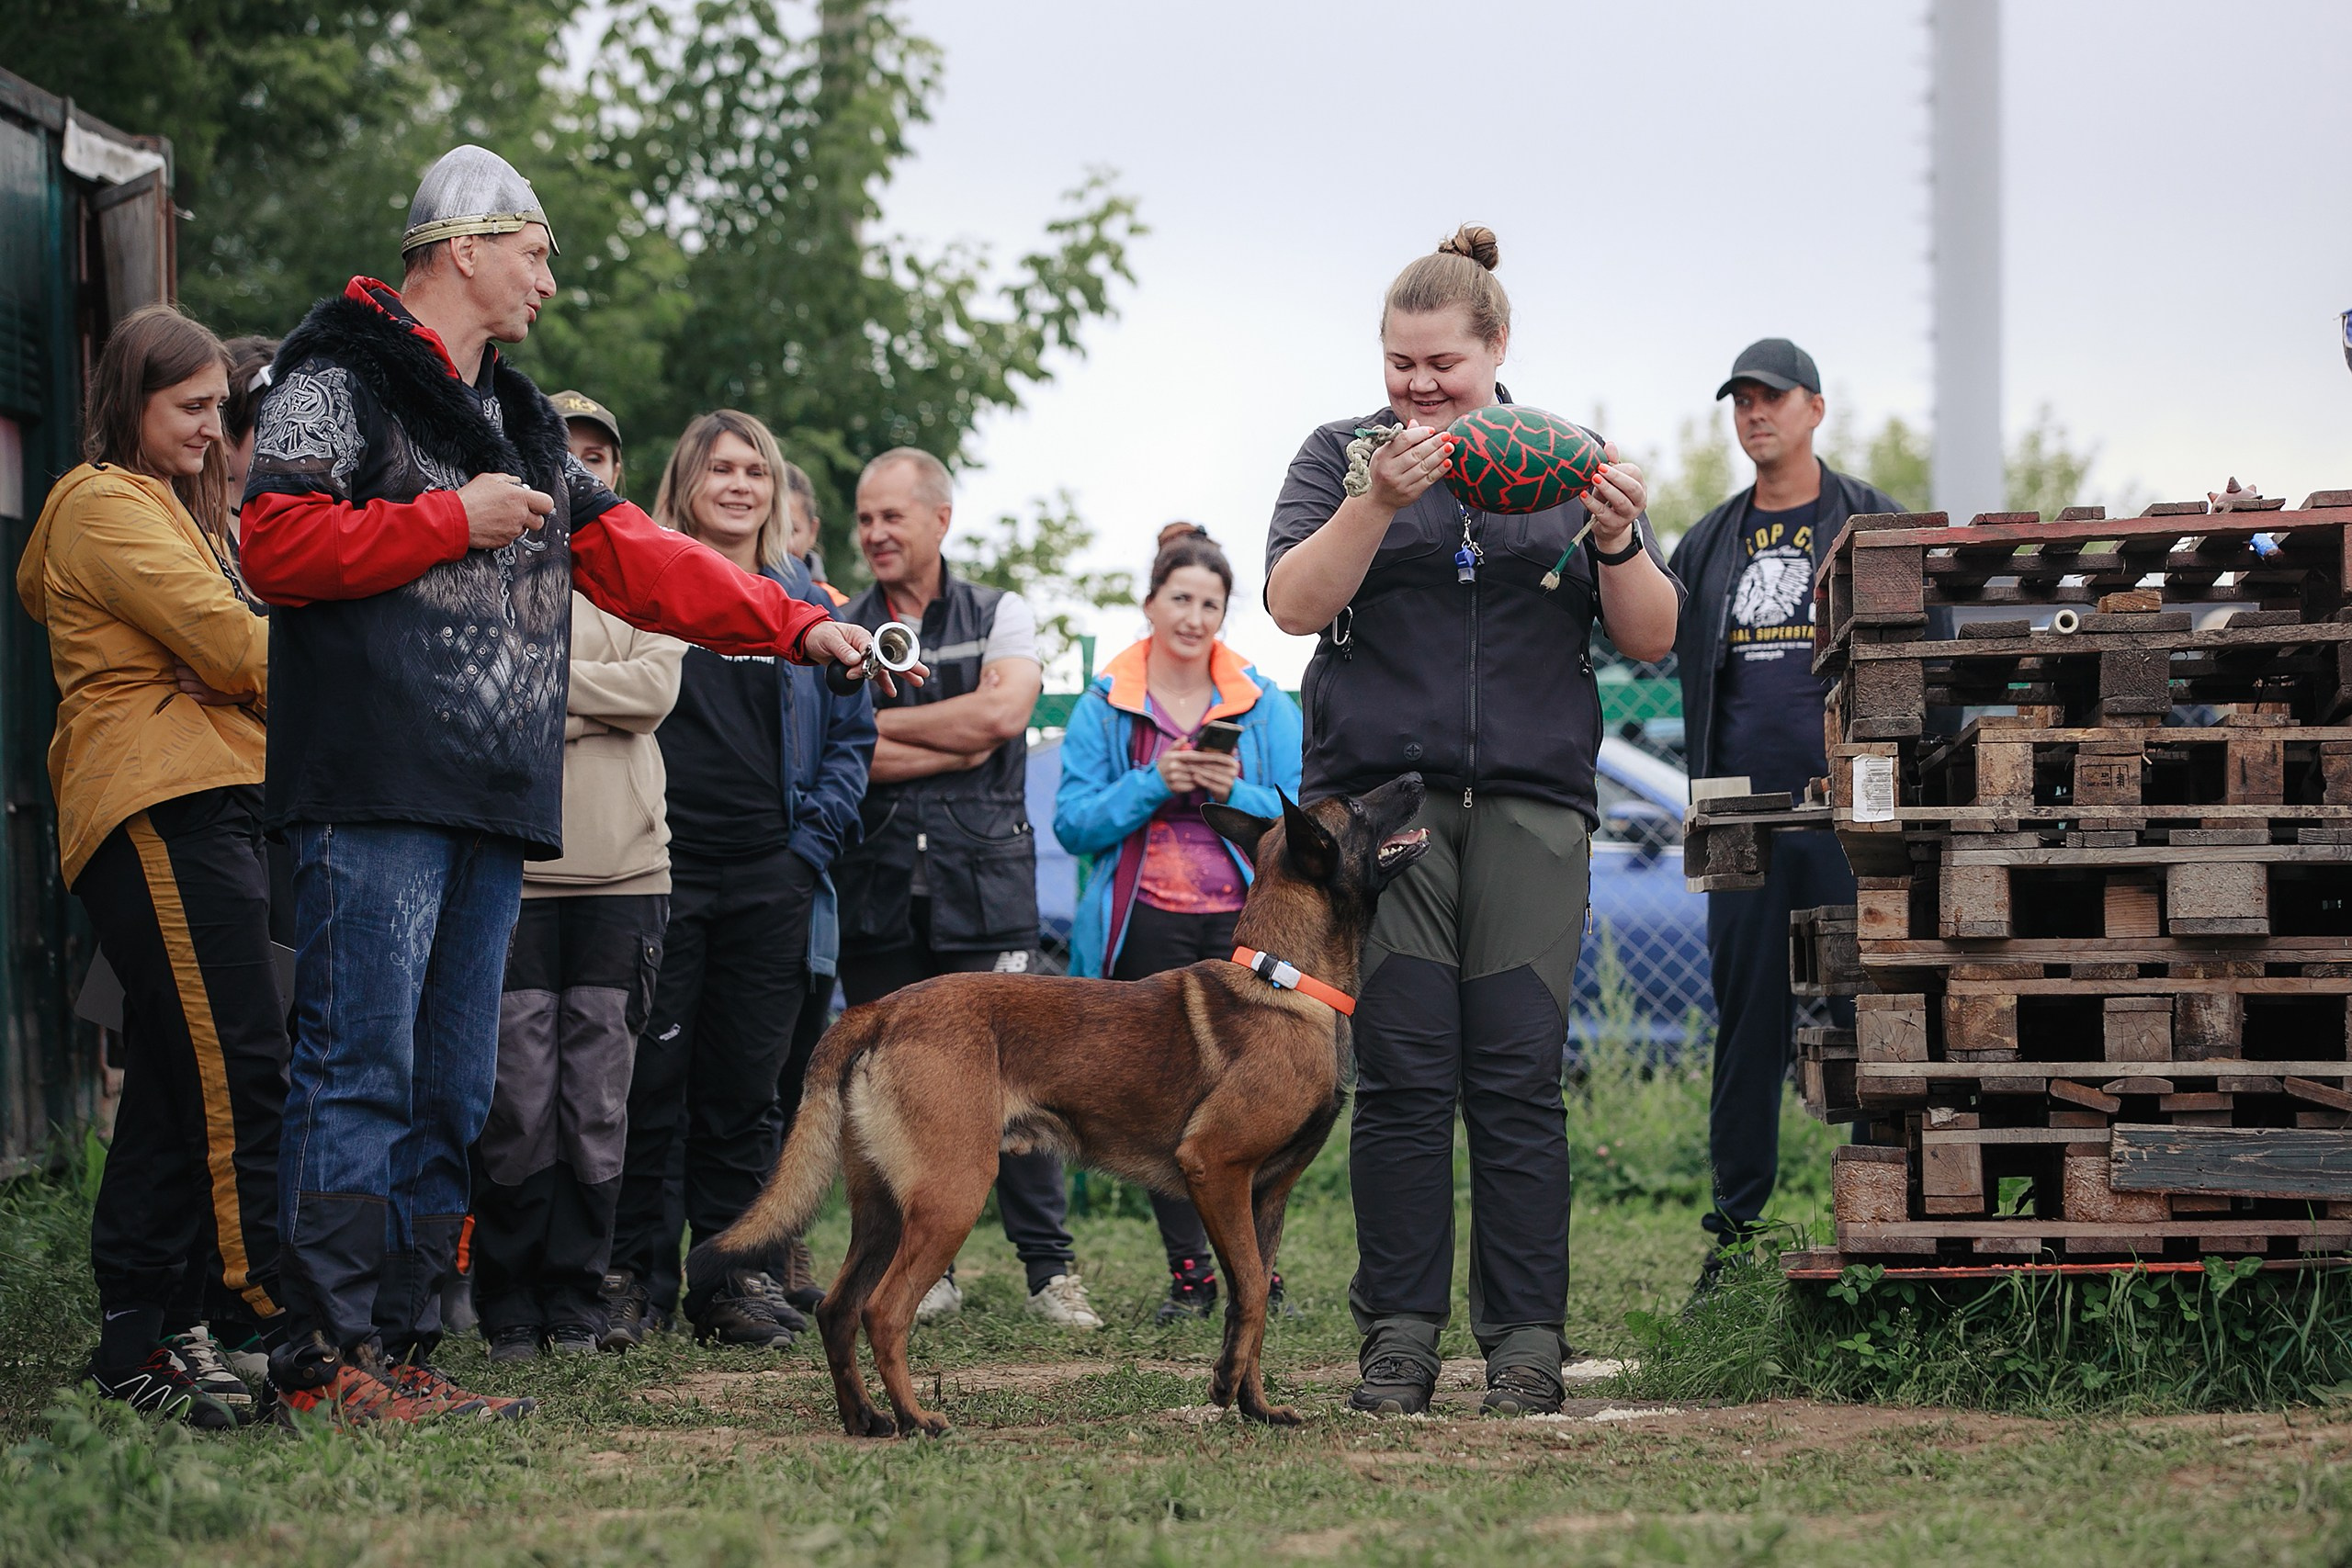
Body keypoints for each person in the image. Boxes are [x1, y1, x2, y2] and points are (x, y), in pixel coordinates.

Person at [237, 144, 887, 1425]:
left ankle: (407, 1343)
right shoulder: (335, 373)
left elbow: (636, 555)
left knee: (452, 1086)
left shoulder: (523, 420)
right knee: (358, 1059)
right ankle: (323, 1357)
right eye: (535, 251)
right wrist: (445, 520)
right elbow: (272, 540)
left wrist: (788, 620)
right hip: (370, 786)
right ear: (465, 247)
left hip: (490, 796)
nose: (547, 276)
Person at [1264, 225, 1682, 1417]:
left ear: (1497, 349)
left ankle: (1525, 1345)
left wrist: (1617, 536)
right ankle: (1397, 1339)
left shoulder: (1567, 461)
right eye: (1400, 362)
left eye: (1440, 361)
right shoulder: (1340, 454)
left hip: (1532, 806)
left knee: (1515, 1079)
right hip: (1378, 810)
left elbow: (1650, 634)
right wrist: (1370, 503)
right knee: (1399, 1078)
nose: (1417, 384)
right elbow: (1293, 602)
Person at [18, 305, 287, 1427]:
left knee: (181, 1084)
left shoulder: (186, 512)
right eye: (187, 408)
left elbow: (234, 649)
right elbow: (237, 643)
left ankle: (148, 1335)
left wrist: (232, 664)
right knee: (240, 1067)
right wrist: (240, 662)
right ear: (128, 404)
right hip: (154, 805)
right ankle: (272, 1318)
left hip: (208, 799)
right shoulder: (98, 502)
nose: (210, 426)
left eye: (218, 409)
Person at [605, 411, 875, 1349]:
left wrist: (808, 849)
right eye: (718, 467)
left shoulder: (808, 603)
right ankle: (631, 1278)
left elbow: (852, 739)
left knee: (744, 1089)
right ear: (684, 482)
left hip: (772, 871)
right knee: (649, 1079)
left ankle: (729, 1284)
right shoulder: (640, 587)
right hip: (656, 863)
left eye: (754, 470)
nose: (738, 484)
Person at [832, 446, 1100, 1330]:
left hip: (983, 886)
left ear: (939, 519)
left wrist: (885, 729)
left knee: (1023, 1086)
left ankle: (1048, 1270)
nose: (873, 532)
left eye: (890, 516)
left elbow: (1002, 717)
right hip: (879, 886)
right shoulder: (836, 619)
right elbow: (846, 748)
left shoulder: (1000, 611)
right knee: (897, 1089)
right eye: (864, 517)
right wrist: (948, 736)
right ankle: (923, 1269)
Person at [1669, 339, 1895, 1281]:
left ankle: (1886, 1219)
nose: (1754, 414)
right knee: (1747, 1024)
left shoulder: (1871, 519)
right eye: (1741, 401)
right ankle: (1735, 1237)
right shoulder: (1710, 540)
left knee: (1874, 1013)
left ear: (1814, 408)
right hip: (1738, 819)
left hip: (1852, 814)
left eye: (1771, 398)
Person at [469, 390, 686, 1362]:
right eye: (563, 451)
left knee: (598, 1099)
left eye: (597, 454)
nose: (581, 467)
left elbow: (655, 692)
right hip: (510, 870)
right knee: (516, 1099)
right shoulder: (479, 560)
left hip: (625, 876)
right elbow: (475, 688)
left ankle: (576, 1298)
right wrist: (583, 695)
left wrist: (544, 683)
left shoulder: (643, 565)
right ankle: (508, 1301)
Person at [1053, 523, 1302, 1323]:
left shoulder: (1263, 704)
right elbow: (1073, 823)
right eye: (1181, 598)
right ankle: (1191, 1275)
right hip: (1144, 926)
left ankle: (1259, 1274)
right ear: (1151, 603)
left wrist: (1235, 791)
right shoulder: (1105, 704)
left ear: (1224, 614)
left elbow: (1304, 814)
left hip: (1246, 925)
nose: (1194, 616)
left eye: (1211, 603)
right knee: (1161, 1103)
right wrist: (1153, 782)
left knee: (1258, 1101)